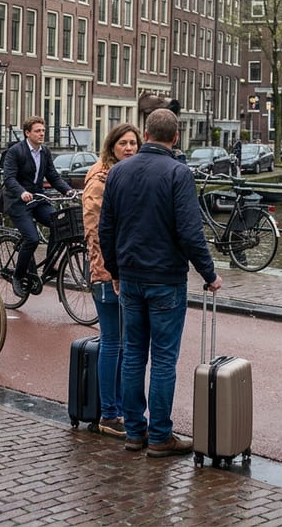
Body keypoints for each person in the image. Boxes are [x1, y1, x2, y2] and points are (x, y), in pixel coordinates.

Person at [99, 108, 223, 458]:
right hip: (166, 280)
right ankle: (160, 437)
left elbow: (105, 229)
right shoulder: (178, 173)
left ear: (146, 134)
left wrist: (115, 272)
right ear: (176, 138)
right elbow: (189, 232)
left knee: (134, 354)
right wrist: (209, 273)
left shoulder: (118, 172)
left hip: (131, 278)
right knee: (164, 360)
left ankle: (134, 433)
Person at [81, 123, 141, 438]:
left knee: (122, 343)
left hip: (125, 272)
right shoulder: (100, 180)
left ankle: (119, 408)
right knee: (112, 342)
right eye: (123, 143)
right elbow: (94, 232)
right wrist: (106, 273)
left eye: (133, 143)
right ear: (111, 146)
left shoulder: (124, 175)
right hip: (107, 274)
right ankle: (109, 413)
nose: (129, 148)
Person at [2, 116, 75, 298]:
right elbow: (9, 178)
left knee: (59, 224)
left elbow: (53, 176)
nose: (42, 133)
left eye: (43, 130)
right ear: (27, 133)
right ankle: (18, 276)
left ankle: (50, 266)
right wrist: (21, 192)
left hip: (37, 199)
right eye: (37, 131)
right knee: (32, 239)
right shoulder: (15, 152)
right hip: (18, 202)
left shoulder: (45, 152)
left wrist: (68, 191)